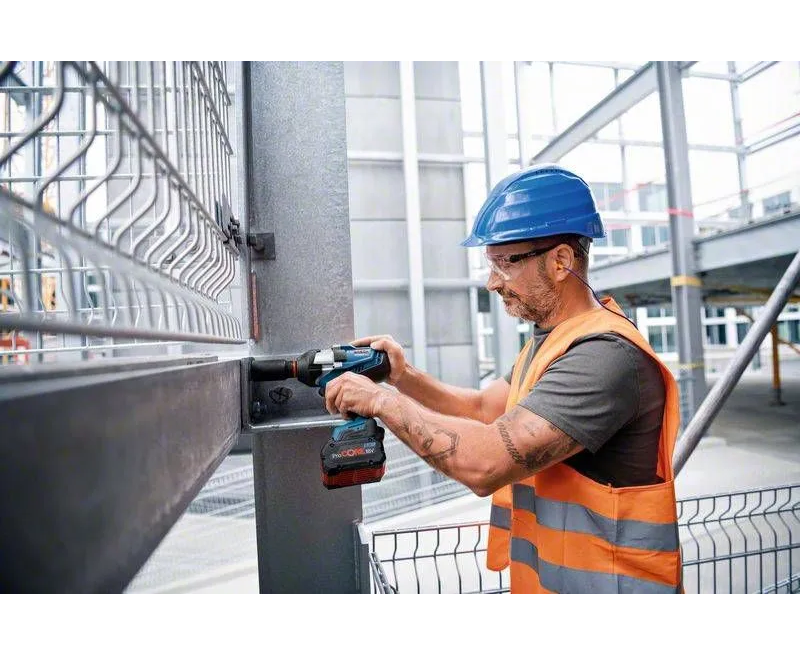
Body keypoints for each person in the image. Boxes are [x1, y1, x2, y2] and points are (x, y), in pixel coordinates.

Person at [324, 164, 683, 594]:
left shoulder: (604, 357)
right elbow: (482, 408)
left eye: (503, 264)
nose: (491, 283)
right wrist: (403, 376)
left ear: (561, 261)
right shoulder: (552, 344)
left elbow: (487, 463)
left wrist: (382, 402)